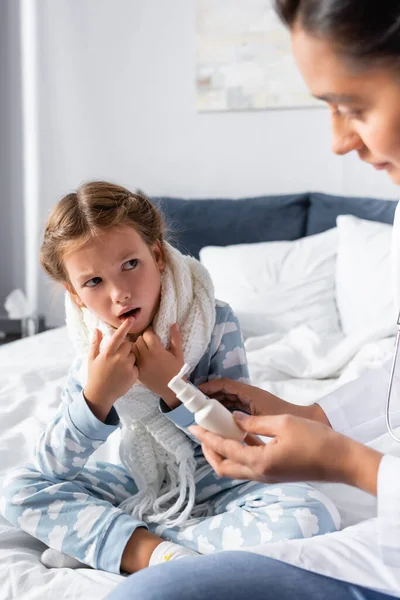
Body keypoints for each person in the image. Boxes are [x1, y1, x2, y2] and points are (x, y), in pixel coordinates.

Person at [104, 0, 400, 598]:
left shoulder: (218, 323)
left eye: (353, 106)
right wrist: (310, 416)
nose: (340, 141)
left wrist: (348, 463)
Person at [0, 181, 337, 576]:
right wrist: (95, 398)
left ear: (157, 254)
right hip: (142, 482)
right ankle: (151, 551)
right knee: (18, 490)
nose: (120, 293)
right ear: (74, 295)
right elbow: (51, 469)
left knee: (311, 516)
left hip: (226, 481)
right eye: (94, 282)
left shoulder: (214, 321)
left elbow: (238, 442)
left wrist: (173, 388)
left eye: (130, 264)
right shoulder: (92, 350)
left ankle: (132, 541)